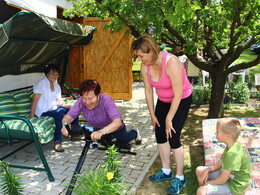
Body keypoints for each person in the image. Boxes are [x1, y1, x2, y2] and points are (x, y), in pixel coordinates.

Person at [131, 35, 192, 194]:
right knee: (159, 133)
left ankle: (180, 177)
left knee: (173, 136)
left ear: (151, 51)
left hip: (181, 99)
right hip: (164, 100)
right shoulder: (146, 66)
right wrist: (152, 114)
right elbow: (148, 91)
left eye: (141, 55)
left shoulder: (171, 63)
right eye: (137, 55)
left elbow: (178, 94)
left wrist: (169, 118)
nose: (139, 59)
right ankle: (166, 171)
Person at [61, 79, 141, 146]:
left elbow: (118, 122)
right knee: (104, 143)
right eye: (84, 98)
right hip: (98, 128)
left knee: (123, 140)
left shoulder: (106, 100)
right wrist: (65, 127)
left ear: (98, 95)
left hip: (115, 128)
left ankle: (134, 132)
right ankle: (108, 138)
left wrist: (102, 131)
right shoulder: (80, 102)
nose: (87, 102)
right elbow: (68, 117)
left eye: (90, 98)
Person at [30, 64, 79, 152]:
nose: (54, 76)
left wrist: (70, 107)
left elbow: (59, 102)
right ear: (47, 74)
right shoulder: (41, 84)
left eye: (56, 74)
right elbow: (34, 102)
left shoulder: (57, 86)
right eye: (52, 73)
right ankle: (57, 142)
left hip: (54, 109)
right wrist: (32, 117)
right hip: (43, 111)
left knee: (74, 111)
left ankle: (74, 134)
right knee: (59, 115)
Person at [196, 118, 251, 195]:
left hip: (235, 187)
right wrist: (207, 170)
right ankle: (207, 190)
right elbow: (219, 164)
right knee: (199, 170)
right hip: (228, 177)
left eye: (217, 131)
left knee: (201, 191)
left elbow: (222, 180)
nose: (215, 133)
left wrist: (209, 183)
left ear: (227, 135)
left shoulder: (233, 154)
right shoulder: (231, 145)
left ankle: (206, 190)